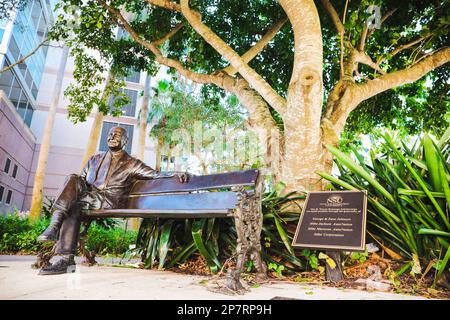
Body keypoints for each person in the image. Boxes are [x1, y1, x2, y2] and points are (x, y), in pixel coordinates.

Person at [37, 126, 190, 275]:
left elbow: (154, 174)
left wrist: (174, 173)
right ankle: (66, 260)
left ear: (125, 141)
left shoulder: (132, 163)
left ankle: (54, 228)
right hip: (88, 198)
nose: (112, 137)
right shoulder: (94, 159)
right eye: (110, 134)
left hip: (108, 200)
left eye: (117, 135)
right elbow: (79, 182)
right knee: (73, 184)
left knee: (73, 202)